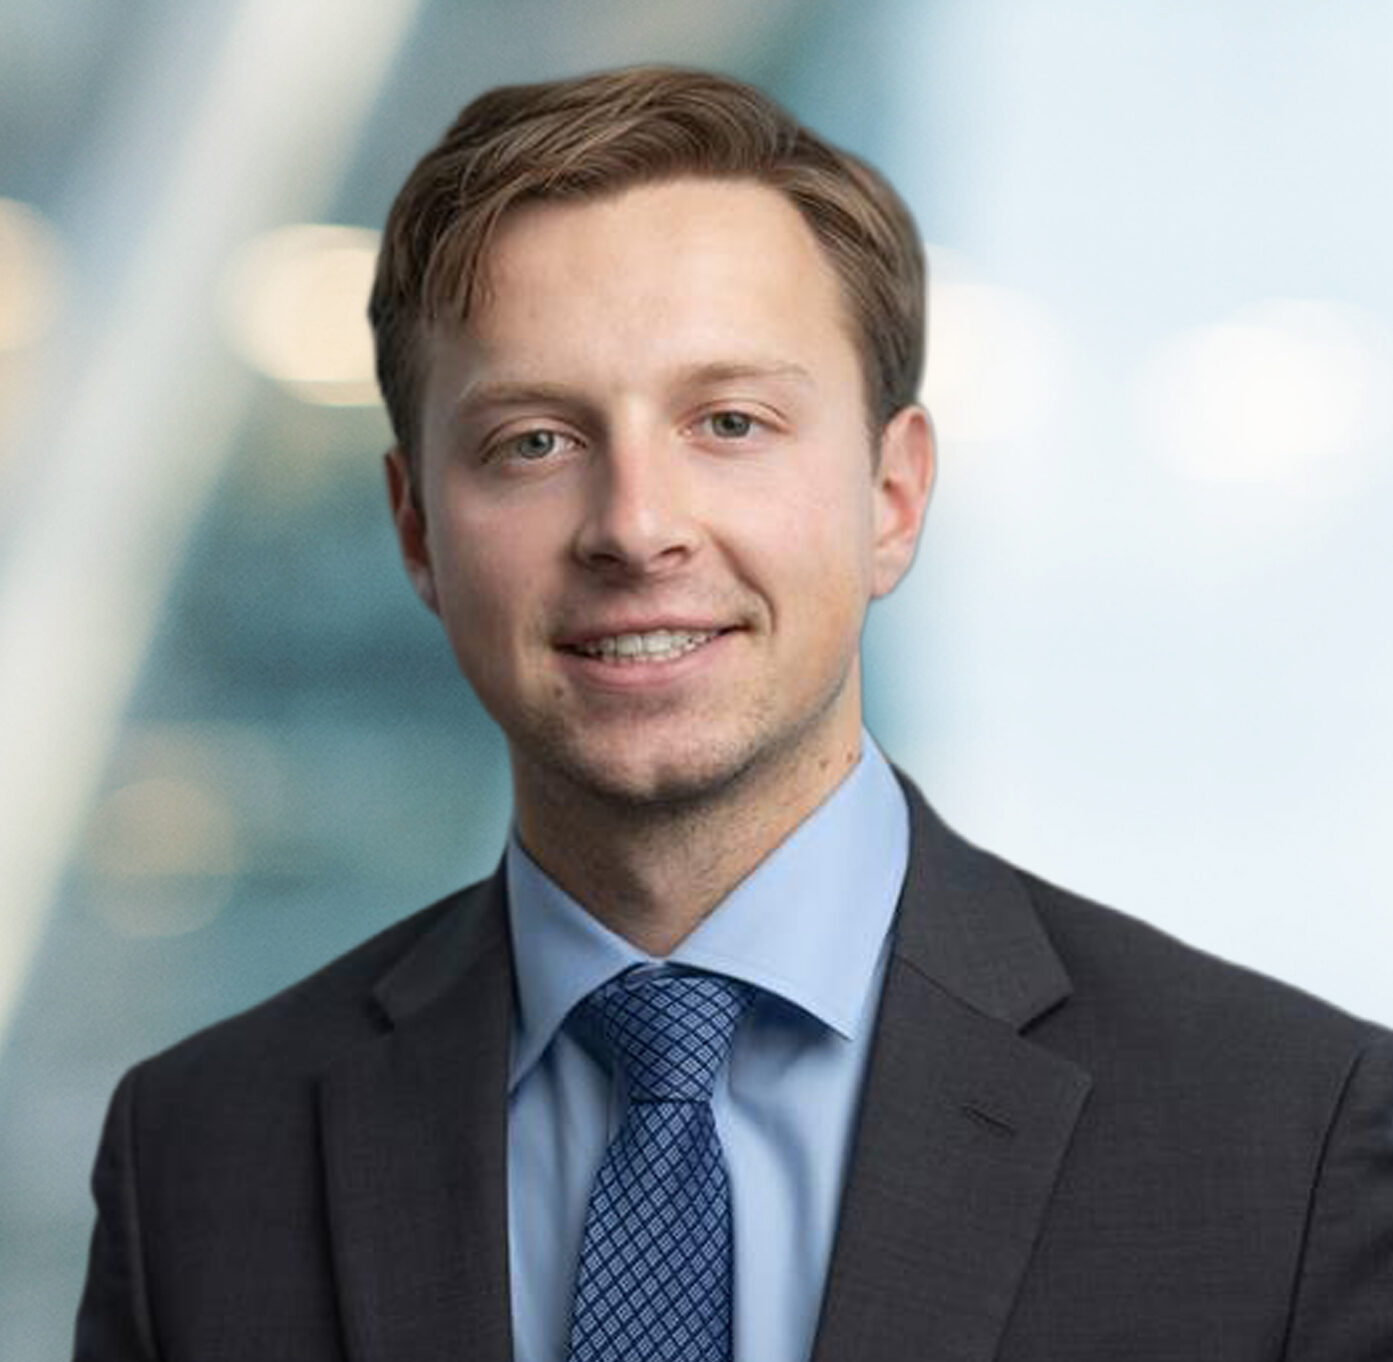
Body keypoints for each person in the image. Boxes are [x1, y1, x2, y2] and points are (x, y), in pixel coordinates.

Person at [74, 66, 1392, 1362]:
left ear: (891, 495)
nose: (636, 525)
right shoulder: (195, 1155)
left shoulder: (1291, 1141)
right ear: (416, 527)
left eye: (728, 421)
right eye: (533, 439)